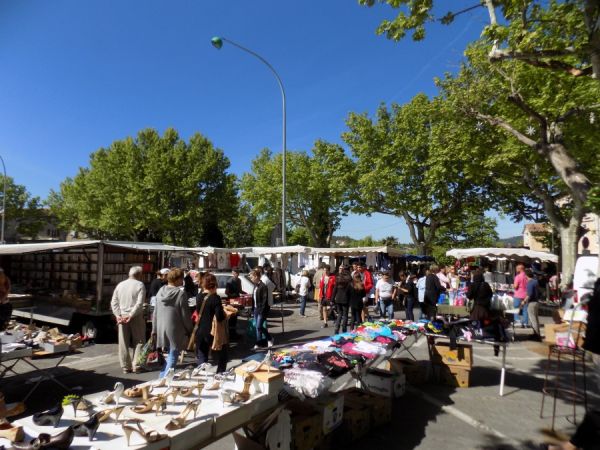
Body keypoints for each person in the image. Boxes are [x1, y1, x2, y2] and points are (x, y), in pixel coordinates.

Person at [153, 268, 194, 377]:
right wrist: (190, 329)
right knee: (173, 354)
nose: (182, 281)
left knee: (169, 354)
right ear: (177, 279)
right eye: (181, 278)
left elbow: (155, 312)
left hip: (161, 326)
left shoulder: (160, 291)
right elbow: (185, 315)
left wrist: (154, 329)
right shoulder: (180, 294)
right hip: (175, 328)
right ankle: (164, 379)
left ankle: (162, 376)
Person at [110, 266, 146, 374]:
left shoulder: (120, 285)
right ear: (139, 275)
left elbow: (114, 302)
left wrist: (117, 315)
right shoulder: (140, 285)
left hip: (122, 315)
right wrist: (131, 314)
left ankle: (126, 366)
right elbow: (139, 303)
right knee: (139, 340)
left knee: (123, 341)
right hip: (135, 315)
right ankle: (137, 365)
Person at [195, 272, 228, 372]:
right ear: (214, 284)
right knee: (223, 354)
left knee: (202, 356)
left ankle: (201, 376)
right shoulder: (215, 298)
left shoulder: (199, 296)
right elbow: (219, 317)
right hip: (212, 332)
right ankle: (220, 374)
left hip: (200, 331)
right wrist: (225, 314)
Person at [251, 268, 273, 349]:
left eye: (251, 277)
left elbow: (264, 300)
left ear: (256, 276)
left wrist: (262, 311)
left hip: (261, 310)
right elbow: (253, 299)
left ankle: (269, 338)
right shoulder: (255, 286)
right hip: (256, 309)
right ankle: (259, 343)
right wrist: (253, 309)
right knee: (257, 328)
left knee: (259, 326)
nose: (251, 278)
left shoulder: (263, 286)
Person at [521, 268, 541, 340]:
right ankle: (536, 333)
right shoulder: (535, 281)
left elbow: (529, 294)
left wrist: (524, 301)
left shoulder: (530, 283)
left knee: (533, 319)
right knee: (536, 319)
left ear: (526, 275)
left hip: (531, 303)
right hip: (536, 301)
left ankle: (536, 335)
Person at [513, 263, 529, 327]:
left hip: (518, 294)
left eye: (517, 268)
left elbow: (515, 286)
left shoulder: (518, 276)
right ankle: (525, 322)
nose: (516, 270)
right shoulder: (527, 277)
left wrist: (513, 286)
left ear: (520, 269)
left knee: (516, 308)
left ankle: (517, 321)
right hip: (526, 295)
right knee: (525, 309)